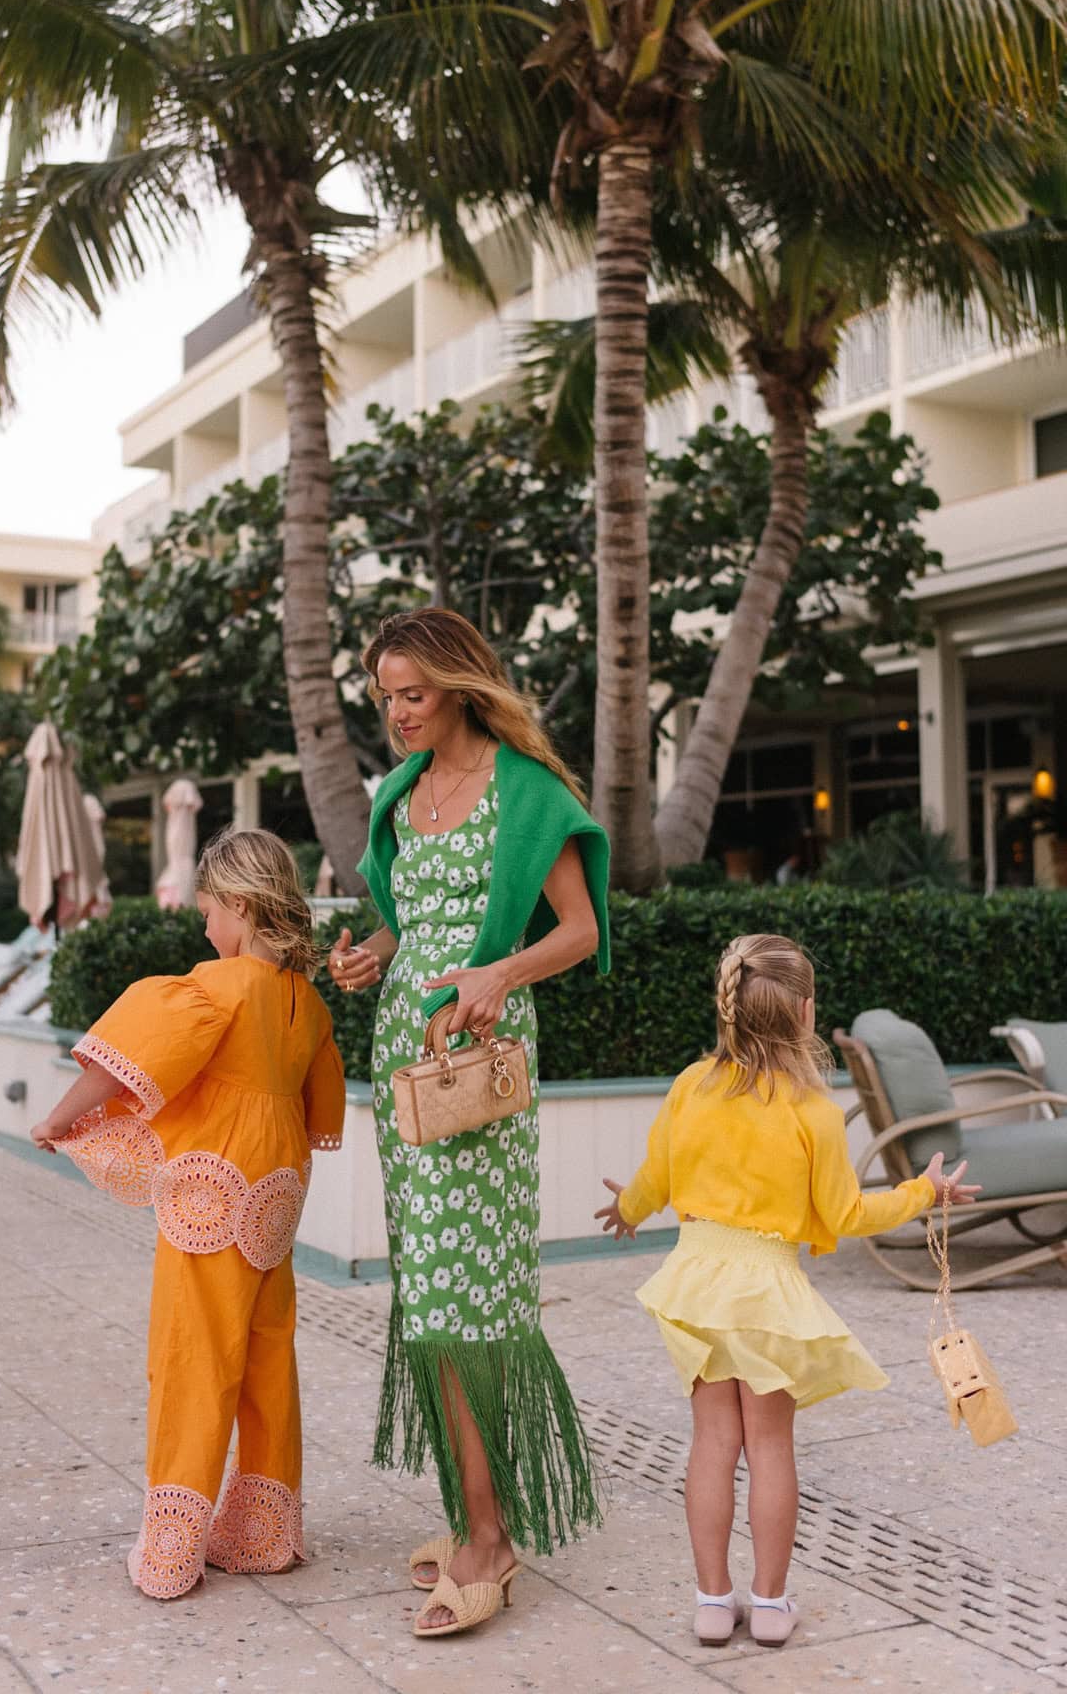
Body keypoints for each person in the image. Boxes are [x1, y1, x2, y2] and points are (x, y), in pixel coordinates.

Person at [329, 607, 610, 1639]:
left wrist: (499, 969)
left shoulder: (525, 792)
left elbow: (577, 931)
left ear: (458, 686)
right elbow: (414, 920)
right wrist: (372, 955)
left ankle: (490, 1538)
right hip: (408, 1060)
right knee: (434, 1286)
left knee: (466, 1291)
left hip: (484, 1067)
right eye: (386, 697)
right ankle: (474, 1513)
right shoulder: (402, 794)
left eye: (412, 693)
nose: (397, 714)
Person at [596, 932, 979, 1650]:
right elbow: (846, 1215)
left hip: (697, 1282)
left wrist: (629, 1210)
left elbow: (656, 1176)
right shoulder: (813, 1111)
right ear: (805, 1013)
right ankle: (769, 1606)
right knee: (769, 1446)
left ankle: (713, 1602)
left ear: (729, 1006)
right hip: (766, 1287)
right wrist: (924, 1191)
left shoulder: (690, 1085)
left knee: (712, 1441)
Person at [30, 827, 345, 1600]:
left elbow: (123, 1062)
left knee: (191, 1365)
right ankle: (264, 1536)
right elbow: (318, 1114)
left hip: (214, 1206)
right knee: (268, 1363)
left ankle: (172, 1553)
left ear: (240, 905)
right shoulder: (307, 1005)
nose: (204, 927)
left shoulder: (218, 988)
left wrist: (57, 1121)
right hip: (274, 1208)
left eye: (208, 910)